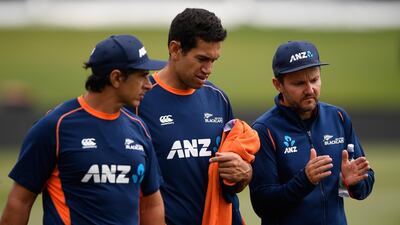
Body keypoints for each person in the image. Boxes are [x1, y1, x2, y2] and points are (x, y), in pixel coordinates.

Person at [0, 35, 166, 225]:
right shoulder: (55, 126)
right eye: (142, 75)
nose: (149, 84)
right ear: (116, 78)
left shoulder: (139, 128)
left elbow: (151, 204)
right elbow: (19, 202)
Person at [130, 8, 256, 225]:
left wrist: (245, 173)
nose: (208, 69)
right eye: (202, 59)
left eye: (213, 60)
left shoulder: (218, 99)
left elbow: (231, 178)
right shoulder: (139, 101)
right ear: (175, 49)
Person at [249, 40, 375, 225]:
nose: (310, 90)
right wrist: (305, 180)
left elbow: (363, 182)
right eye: (299, 83)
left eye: (314, 80)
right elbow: (262, 204)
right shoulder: (264, 130)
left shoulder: (338, 117)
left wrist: (352, 183)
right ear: (278, 84)